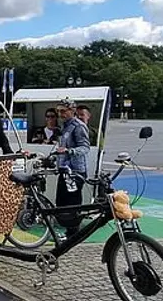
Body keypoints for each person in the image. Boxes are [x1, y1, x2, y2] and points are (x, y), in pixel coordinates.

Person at [54, 98, 90, 237]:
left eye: (63, 111)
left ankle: (74, 233)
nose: (60, 114)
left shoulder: (78, 126)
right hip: (65, 170)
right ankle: (69, 231)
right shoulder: (65, 126)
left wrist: (70, 151)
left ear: (72, 111)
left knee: (72, 203)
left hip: (75, 171)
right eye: (58, 111)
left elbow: (85, 147)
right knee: (61, 202)